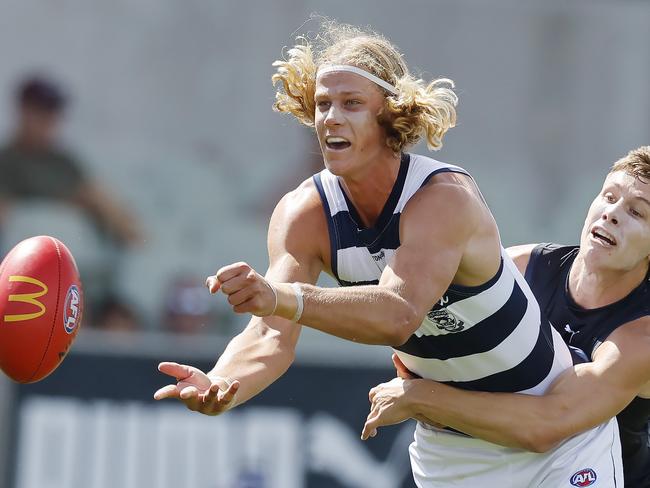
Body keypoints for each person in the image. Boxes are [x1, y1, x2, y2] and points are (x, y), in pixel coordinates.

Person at [154, 21, 621, 486]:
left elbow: (396, 314)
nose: (331, 117)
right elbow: (271, 337)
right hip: (451, 455)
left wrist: (278, 296)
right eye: (323, 104)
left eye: (352, 103)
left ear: (392, 115)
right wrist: (223, 382)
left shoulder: (442, 197)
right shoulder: (304, 213)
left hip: (558, 440)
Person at [362, 146, 650, 486]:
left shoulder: (641, 336)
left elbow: (544, 427)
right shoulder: (523, 267)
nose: (611, 214)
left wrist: (421, 397)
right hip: (492, 469)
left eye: (637, 212)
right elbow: (423, 316)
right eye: (609, 196)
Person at [0, 74, 141, 247]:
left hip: (73, 254)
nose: (49, 122)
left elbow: (99, 197)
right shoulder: (7, 160)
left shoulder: (64, 162)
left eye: (53, 114)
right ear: (23, 111)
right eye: (41, 113)